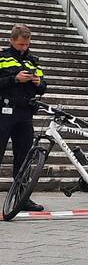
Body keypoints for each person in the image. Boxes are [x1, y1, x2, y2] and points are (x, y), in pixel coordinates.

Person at [0, 25, 46, 212]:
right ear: (11, 40)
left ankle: (22, 198)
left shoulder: (33, 60)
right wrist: (15, 79)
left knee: (24, 158)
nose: (23, 48)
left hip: (25, 113)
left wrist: (38, 82)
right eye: (20, 44)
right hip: (4, 111)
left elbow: (43, 86)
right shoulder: (2, 58)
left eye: (26, 44)